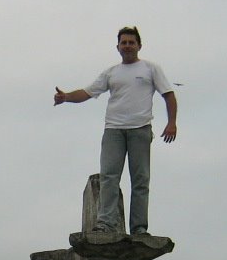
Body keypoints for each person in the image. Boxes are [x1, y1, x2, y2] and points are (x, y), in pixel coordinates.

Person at [54, 26, 177, 235]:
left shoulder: (150, 69)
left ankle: (139, 228)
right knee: (109, 176)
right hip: (114, 130)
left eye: (131, 42)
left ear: (139, 45)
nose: (127, 46)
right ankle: (106, 223)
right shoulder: (111, 72)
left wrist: (171, 122)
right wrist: (66, 97)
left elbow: (169, 94)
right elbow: (87, 92)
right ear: (118, 47)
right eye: (124, 43)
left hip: (140, 129)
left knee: (140, 179)